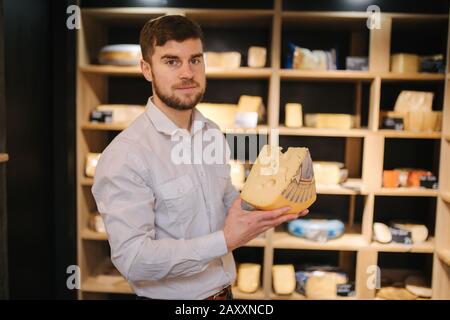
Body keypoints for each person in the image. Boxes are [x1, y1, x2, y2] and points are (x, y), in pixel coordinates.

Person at [92, 15, 308, 300]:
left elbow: (223, 199)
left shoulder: (212, 132)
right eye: (171, 61)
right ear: (146, 69)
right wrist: (225, 240)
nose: (187, 73)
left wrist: (265, 210)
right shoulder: (126, 155)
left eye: (195, 60)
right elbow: (133, 259)